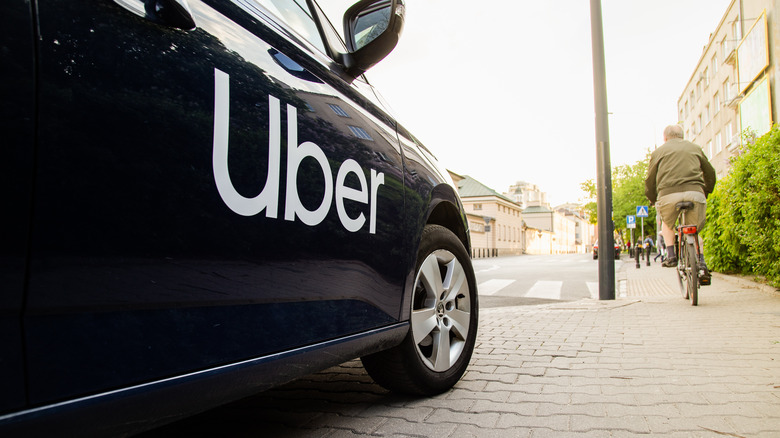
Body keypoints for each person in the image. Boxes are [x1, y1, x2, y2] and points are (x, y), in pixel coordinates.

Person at [645, 124, 716, 284]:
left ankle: (671, 255)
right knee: (695, 229)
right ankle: (701, 261)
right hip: (695, 192)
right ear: (682, 136)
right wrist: (705, 191)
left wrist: (652, 198)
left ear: (665, 138)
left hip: (668, 195)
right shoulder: (695, 148)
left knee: (667, 224)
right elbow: (710, 172)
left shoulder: (658, 152)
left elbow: (650, 180)